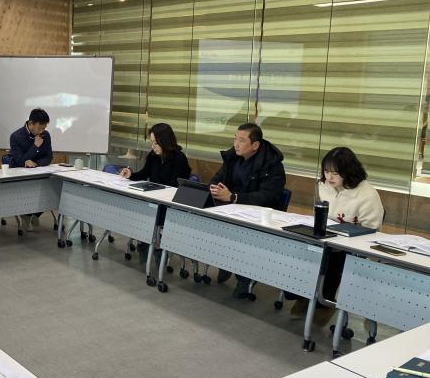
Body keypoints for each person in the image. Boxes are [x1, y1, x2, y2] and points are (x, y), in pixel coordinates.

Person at [290, 147, 385, 321]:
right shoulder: (323, 186)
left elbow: (372, 230)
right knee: (300, 250)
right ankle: (302, 294)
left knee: (333, 258)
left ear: (349, 171)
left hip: (351, 245)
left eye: (335, 173)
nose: (329, 177)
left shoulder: (367, 194)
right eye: (326, 172)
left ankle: (325, 302)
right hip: (326, 237)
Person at [209, 123, 286, 298]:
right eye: (235, 138)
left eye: (241, 140)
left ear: (255, 145)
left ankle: (244, 279)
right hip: (231, 210)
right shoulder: (232, 157)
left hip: (257, 215)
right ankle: (225, 262)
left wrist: (234, 197)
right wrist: (214, 189)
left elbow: (268, 196)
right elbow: (216, 179)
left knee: (242, 236)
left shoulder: (272, 165)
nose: (236, 144)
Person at [9, 109, 53, 230]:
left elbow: (49, 157)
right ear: (30, 123)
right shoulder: (16, 136)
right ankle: (27, 213)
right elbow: (20, 161)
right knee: (31, 189)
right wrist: (35, 146)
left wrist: (36, 164)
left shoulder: (46, 135)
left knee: (52, 189)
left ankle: (32, 214)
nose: (42, 131)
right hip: (21, 176)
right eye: (39, 128)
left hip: (39, 173)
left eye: (44, 128)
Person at [120, 123, 191, 187]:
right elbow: (143, 174)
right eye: (151, 142)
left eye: (155, 143)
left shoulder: (179, 158)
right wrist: (130, 175)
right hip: (154, 194)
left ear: (165, 142)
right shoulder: (153, 155)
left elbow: (175, 186)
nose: (152, 146)